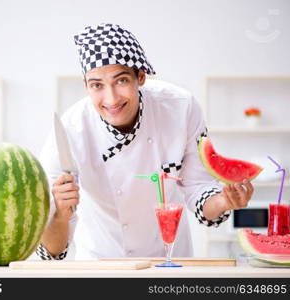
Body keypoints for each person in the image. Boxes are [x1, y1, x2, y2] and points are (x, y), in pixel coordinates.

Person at [35, 23, 254, 260]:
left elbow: (198, 189)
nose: (111, 99)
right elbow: (52, 251)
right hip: (100, 265)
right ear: (86, 85)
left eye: (121, 81)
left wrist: (223, 201)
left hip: (170, 263)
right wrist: (59, 215)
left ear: (140, 77)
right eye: (97, 85)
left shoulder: (181, 107)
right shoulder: (70, 130)